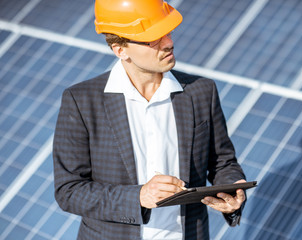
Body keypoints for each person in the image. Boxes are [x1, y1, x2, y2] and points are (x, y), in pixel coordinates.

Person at [53, 0, 247, 239]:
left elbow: (222, 163)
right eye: (152, 38)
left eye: (167, 32)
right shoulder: (81, 101)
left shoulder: (201, 92)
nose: (168, 43)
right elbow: (68, 191)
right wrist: (139, 197)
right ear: (120, 49)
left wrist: (232, 191)